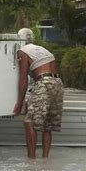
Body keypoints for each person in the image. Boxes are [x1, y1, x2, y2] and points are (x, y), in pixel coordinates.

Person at [13, 28, 64, 158]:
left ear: (20, 39)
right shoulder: (42, 49)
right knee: (47, 125)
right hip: (57, 83)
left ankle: (32, 160)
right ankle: (45, 159)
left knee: (29, 122)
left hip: (44, 82)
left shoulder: (22, 51)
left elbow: (23, 79)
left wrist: (19, 103)